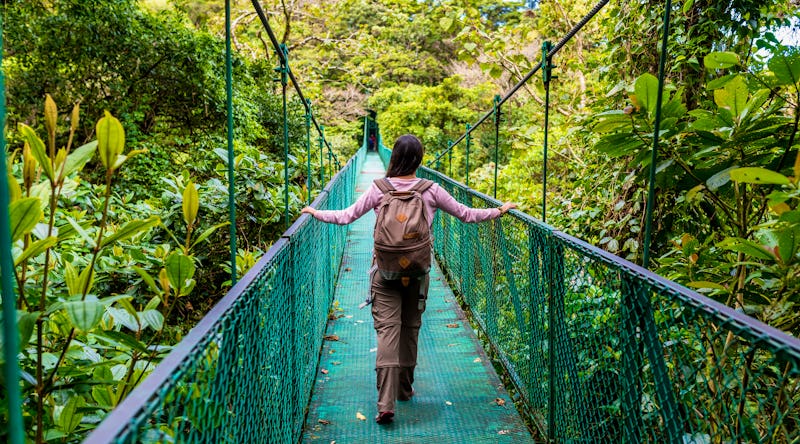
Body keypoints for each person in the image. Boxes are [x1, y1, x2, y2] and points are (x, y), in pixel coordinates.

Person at [301, 134, 516, 425]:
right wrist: (498, 211)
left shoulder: (379, 189)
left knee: (387, 334)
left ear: (393, 158)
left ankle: (385, 403)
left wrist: (316, 213)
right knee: (410, 330)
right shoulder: (431, 190)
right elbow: (466, 215)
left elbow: (347, 216)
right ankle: (404, 389)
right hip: (416, 274)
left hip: (385, 273)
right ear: (419, 160)